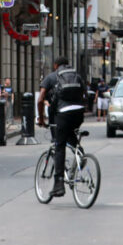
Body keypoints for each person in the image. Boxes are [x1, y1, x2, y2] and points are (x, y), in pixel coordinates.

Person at [37, 56, 86, 198]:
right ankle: (80, 155)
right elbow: (84, 93)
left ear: (55, 65)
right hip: (79, 113)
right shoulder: (76, 75)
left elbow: (40, 99)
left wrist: (41, 118)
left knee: (59, 145)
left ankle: (58, 185)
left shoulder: (52, 77)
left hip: (63, 114)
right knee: (69, 134)